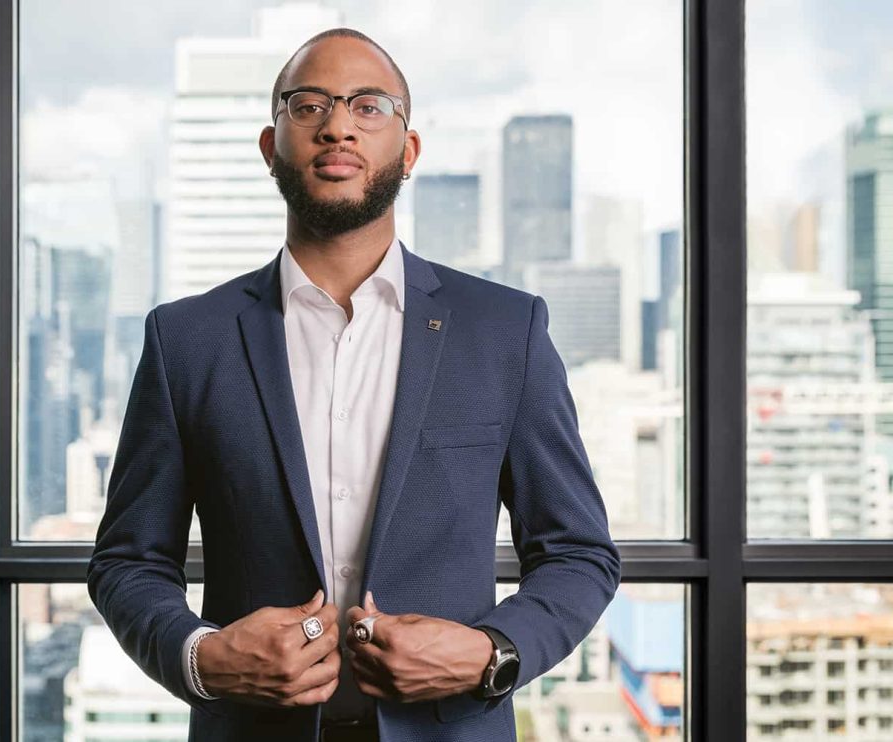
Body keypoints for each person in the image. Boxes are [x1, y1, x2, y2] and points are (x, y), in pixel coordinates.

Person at [87, 27, 621, 742]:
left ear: (409, 150)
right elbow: (128, 560)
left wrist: (492, 653)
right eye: (307, 105)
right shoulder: (186, 339)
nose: (337, 124)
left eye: (368, 106)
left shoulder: (503, 331)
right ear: (270, 145)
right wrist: (202, 658)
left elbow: (577, 552)